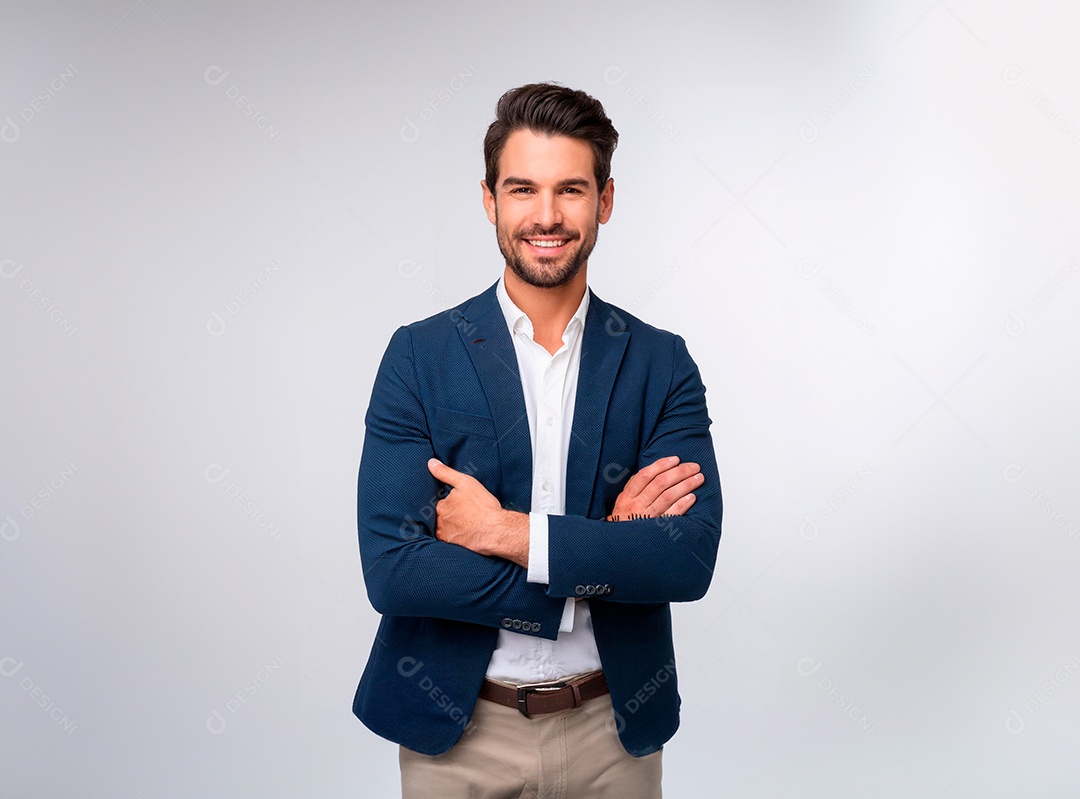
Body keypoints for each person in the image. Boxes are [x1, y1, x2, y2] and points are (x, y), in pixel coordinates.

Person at [353, 82, 722, 798]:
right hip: (460, 738)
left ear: (604, 201)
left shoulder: (660, 362)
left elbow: (688, 558)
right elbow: (395, 571)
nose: (546, 216)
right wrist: (600, 554)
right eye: (522, 189)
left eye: (571, 190)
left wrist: (507, 533)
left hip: (611, 733)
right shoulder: (419, 356)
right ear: (490, 200)